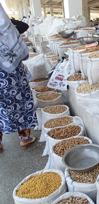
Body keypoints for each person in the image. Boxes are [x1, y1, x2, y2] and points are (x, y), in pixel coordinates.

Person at [0, 4, 37, 152]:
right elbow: (23, 53)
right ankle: (24, 138)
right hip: (12, 76)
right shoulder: (5, 31)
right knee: (20, 104)